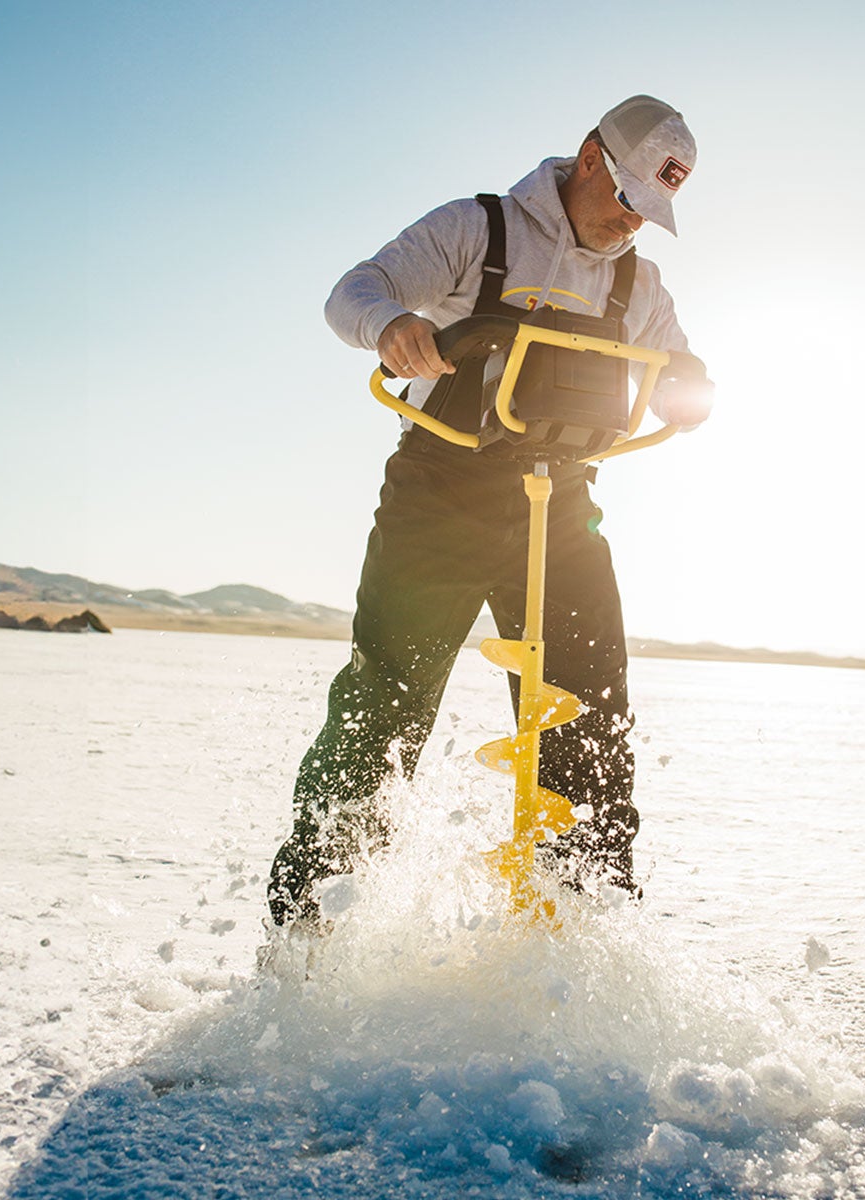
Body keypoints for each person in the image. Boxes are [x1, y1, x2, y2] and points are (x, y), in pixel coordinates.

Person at [266, 95, 712, 929]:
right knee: (387, 701)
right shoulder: (479, 229)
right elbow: (352, 292)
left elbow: (676, 364)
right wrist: (392, 323)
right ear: (590, 160)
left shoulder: (638, 281)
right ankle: (309, 925)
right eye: (626, 201)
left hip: (564, 503)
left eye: (651, 213)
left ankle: (580, 932)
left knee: (588, 712)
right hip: (441, 491)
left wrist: (688, 389)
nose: (632, 226)